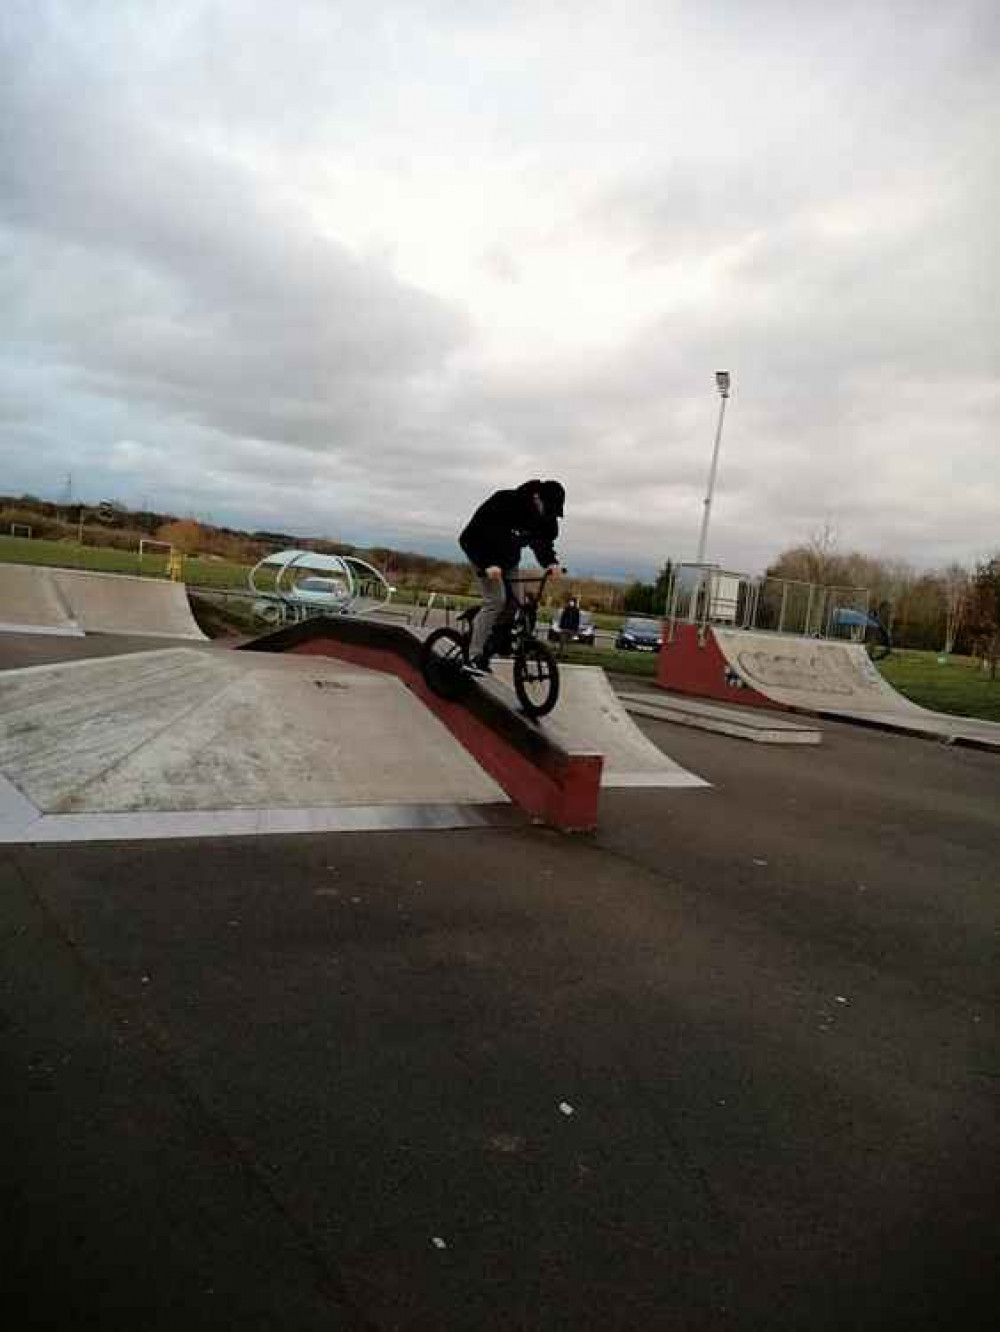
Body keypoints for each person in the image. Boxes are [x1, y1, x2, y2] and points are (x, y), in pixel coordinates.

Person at [459, 478, 565, 671]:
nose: (547, 515)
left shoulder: (545, 518)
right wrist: (487, 565)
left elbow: (542, 543)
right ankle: (472, 655)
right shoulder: (505, 502)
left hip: (508, 561)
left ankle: (492, 644)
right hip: (481, 554)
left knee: (517, 602)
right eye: (546, 509)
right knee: (496, 600)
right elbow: (471, 537)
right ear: (536, 497)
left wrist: (551, 563)